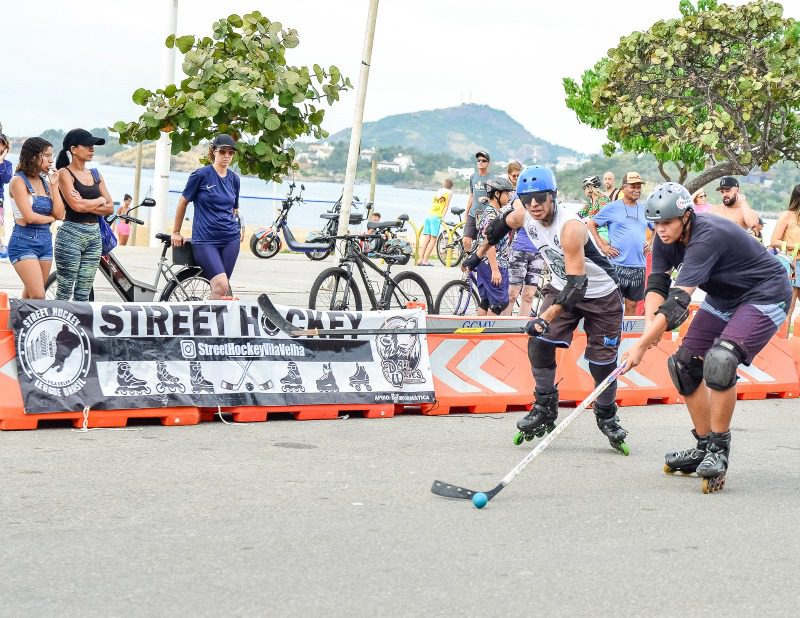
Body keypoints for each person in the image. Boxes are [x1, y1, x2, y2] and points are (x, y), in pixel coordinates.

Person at [621, 182, 791, 493]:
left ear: (686, 216)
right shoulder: (663, 239)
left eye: (668, 222)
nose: (661, 229)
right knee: (683, 365)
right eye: (656, 223)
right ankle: (703, 444)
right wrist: (649, 328)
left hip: (765, 293)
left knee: (721, 360)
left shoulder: (706, 234)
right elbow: (657, 287)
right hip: (725, 298)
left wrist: (641, 347)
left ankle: (718, 451)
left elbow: (677, 303)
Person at [465, 165, 628, 453]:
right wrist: (477, 257)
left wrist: (543, 318)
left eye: (541, 198)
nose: (535, 205)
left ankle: (607, 416)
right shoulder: (524, 214)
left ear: (553, 196)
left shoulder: (570, 228)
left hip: (599, 293)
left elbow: (577, 286)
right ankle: (545, 406)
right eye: (528, 199)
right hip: (560, 285)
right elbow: (499, 226)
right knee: (539, 343)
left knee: (601, 363)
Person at [172, 134, 242, 299]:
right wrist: (176, 231)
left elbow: (234, 209)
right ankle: (198, 322)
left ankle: (212, 324)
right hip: (205, 240)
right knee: (221, 285)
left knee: (221, 290)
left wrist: (239, 227)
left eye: (231, 153)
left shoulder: (235, 180)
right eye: (223, 151)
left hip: (230, 240)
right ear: (214, 151)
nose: (227, 156)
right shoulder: (201, 175)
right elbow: (183, 202)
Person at [55, 129, 114, 301]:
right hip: (70, 235)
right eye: (88, 145)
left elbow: (110, 208)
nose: (92, 148)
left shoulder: (96, 174)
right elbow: (76, 206)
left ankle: (79, 327)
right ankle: (59, 326)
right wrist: (100, 200)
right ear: (73, 149)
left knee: (84, 292)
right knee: (64, 290)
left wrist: (88, 204)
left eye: (93, 145)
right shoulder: (64, 173)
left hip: (94, 237)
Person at [6, 137, 65, 298]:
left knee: (30, 297)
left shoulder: (46, 183)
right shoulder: (18, 181)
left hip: (45, 242)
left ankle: (15, 323)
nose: (51, 160)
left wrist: (54, 184)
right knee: (39, 296)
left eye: (51, 155)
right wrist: (50, 218)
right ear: (33, 156)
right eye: (46, 155)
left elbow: (60, 214)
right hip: (23, 242)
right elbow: (29, 217)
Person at [587, 172, 652, 315]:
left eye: (639, 187)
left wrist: (650, 242)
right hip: (617, 265)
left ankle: (626, 336)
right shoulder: (613, 207)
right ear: (623, 188)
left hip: (638, 266)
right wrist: (602, 246)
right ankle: (611, 335)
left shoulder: (644, 209)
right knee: (612, 305)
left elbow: (657, 228)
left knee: (633, 305)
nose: (637, 190)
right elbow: (591, 224)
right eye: (633, 186)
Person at [471, 176, 515, 316]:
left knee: (486, 301)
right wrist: (495, 270)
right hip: (492, 263)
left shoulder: (495, 212)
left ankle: (480, 333)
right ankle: (488, 334)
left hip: (486, 263)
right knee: (499, 303)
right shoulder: (491, 215)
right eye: (507, 193)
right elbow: (489, 243)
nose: (509, 196)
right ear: (497, 194)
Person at [504, 161, 543, 316]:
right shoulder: (517, 197)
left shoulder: (541, 197)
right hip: (520, 248)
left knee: (529, 296)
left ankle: (522, 330)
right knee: (512, 294)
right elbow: (521, 211)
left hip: (538, 251)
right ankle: (504, 329)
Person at [769, 184, 800, 324]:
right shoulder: (787, 215)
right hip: (792, 265)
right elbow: (774, 241)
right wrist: (795, 246)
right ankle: (782, 341)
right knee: (789, 306)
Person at [417, 178, 453, 266]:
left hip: (429, 216)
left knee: (426, 239)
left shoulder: (438, 191)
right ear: (451, 186)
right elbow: (446, 206)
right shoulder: (449, 192)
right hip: (436, 217)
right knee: (433, 239)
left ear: (443, 184)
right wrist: (442, 217)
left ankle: (420, 259)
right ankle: (425, 260)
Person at [462, 150, 491, 253]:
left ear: (488, 163)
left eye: (484, 160)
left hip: (486, 215)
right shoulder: (473, 177)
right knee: (466, 240)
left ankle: (478, 263)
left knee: (483, 243)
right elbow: (471, 195)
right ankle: (468, 259)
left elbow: (495, 198)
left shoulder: (492, 178)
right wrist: (466, 212)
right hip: (473, 214)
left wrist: (488, 200)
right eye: (479, 160)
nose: (481, 162)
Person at [577, 175, 611, 243]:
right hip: (594, 232)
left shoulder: (603, 199)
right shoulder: (590, 202)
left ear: (589, 187)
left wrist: (588, 222)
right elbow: (579, 214)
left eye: (584, 188)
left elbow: (603, 219)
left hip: (604, 233)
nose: (584, 190)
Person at [0, 131, 12, 260]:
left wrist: (0, 161)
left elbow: (6, 178)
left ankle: (1, 245)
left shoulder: (7, 164)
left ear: (4, 147)